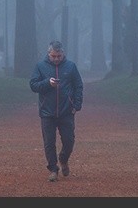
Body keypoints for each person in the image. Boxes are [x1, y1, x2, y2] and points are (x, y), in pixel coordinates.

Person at [29, 40, 84, 182]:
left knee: (69, 140)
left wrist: (77, 104)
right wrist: (48, 83)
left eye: (59, 56)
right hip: (47, 112)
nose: (56, 59)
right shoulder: (40, 66)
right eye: (53, 56)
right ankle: (53, 169)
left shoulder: (71, 66)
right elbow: (33, 85)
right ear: (49, 54)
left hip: (67, 111)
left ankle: (63, 159)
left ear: (63, 53)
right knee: (49, 142)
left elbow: (78, 86)